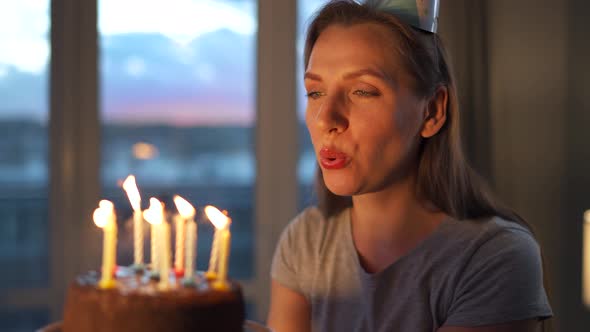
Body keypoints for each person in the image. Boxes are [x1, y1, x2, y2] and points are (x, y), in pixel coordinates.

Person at [266, 1, 553, 331]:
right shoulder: (306, 242)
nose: (325, 118)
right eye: (315, 92)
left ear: (431, 112)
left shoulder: (494, 258)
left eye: (362, 91)